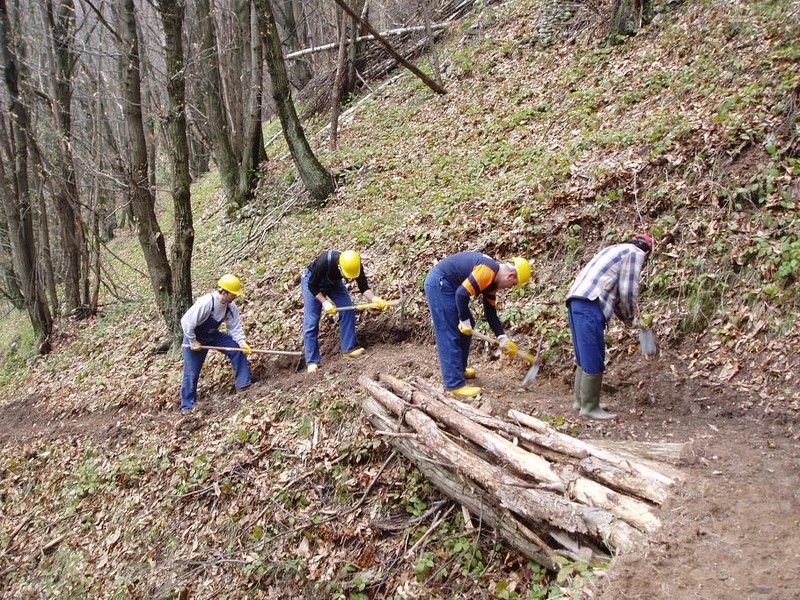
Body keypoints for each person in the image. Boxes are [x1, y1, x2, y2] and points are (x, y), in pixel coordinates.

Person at [566, 233, 654, 420]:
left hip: (576, 299)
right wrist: (630, 318)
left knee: (584, 352)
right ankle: (589, 407)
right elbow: (628, 291)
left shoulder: (614, 249)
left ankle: (581, 401)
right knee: (594, 353)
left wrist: (626, 318)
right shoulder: (635, 253)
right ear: (647, 252)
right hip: (590, 302)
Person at [424, 252, 531, 397]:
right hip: (440, 283)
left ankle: (459, 369)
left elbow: (490, 314)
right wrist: (463, 321)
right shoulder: (487, 271)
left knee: (467, 324)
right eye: (512, 284)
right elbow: (461, 295)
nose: (510, 288)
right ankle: (454, 384)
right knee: (450, 330)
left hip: (451, 286)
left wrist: (503, 338)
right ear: (510, 276)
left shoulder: (492, 283)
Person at [301, 250, 388, 373]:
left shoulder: (355, 265)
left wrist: (375, 299)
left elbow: (363, 287)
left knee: (348, 309)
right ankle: (312, 362)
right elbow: (312, 286)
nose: (349, 278)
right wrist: (325, 302)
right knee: (312, 321)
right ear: (339, 266)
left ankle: (348, 350)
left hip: (334, 283)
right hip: (312, 282)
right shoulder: (324, 262)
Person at [180, 274, 252, 414]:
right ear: (224, 292)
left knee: (236, 350)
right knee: (191, 372)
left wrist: (242, 343)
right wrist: (193, 341)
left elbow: (235, 327)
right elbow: (186, 322)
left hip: (212, 335)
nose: (235, 297)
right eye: (233, 294)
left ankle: (243, 385)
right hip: (194, 337)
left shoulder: (230, 307)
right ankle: (187, 407)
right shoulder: (206, 303)